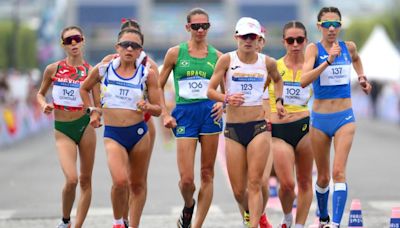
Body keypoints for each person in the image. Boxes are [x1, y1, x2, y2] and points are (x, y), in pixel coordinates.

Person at [207, 17, 285, 228]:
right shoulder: (227, 61)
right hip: (233, 129)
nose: (248, 40)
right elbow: (210, 90)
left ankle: (254, 223)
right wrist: (226, 99)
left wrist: (278, 101)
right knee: (238, 190)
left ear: (258, 38)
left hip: (258, 127)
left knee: (255, 183)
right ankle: (253, 214)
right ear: (236, 37)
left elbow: (278, 80)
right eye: (244, 36)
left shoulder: (267, 62)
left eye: (252, 36)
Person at [80, 28, 162, 228]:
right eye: (125, 44)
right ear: (117, 47)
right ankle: (118, 222)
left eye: (134, 46)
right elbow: (84, 88)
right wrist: (93, 111)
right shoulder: (104, 69)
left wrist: (147, 106)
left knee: (138, 184)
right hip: (114, 134)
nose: (129, 48)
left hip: (139, 134)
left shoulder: (147, 74)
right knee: (120, 181)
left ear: (140, 50)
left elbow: (158, 109)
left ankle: (132, 225)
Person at [301, 6, 372, 228]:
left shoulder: (348, 47)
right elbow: (304, 80)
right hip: (320, 120)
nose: (332, 29)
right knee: (322, 178)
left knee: (338, 171)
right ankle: (323, 217)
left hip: (344, 117)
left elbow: (357, 59)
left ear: (340, 26)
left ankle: (336, 223)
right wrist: (328, 62)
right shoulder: (313, 49)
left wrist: (361, 77)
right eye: (327, 24)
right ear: (319, 26)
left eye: (336, 24)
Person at [159, 8, 224, 228]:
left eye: (204, 26)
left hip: (209, 114)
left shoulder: (217, 56)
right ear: (188, 28)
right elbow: (156, 86)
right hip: (185, 114)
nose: (200, 30)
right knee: (187, 180)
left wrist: (221, 103)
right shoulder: (175, 53)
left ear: (209, 27)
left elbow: (226, 90)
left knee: (207, 173)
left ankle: (196, 225)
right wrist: (165, 114)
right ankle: (189, 205)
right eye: (195, 26)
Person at [36, 26, 97, 228]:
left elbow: (97, 104)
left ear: (83, 40)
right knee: (71, 179)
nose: (73, 43)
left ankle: (77, 225)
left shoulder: (91, 72)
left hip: (85, 126)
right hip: (63, 129)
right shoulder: (53, 69)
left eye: (77, 39)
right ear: (63, 45)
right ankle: (65, 220)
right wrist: (44, 105)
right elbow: (39, 93)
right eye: (68, 40)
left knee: (85, 181)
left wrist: (96, 114)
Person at [268, 21, 313, 228]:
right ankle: (287, 218)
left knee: (305, 182)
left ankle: (300, 225)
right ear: (284, 42)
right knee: (287, 184)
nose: (295, 44)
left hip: (305, 128)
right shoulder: (273, 66)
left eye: (300, 40)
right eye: (290, 40)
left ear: (306, 41)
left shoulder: (313, 67)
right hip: (279, 131)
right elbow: (259, 97)